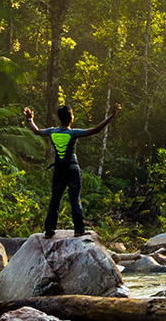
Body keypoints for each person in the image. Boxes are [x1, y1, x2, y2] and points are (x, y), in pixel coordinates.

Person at [22, 100, 121, 237]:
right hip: (73, 169)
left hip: (59, 170)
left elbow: (37, 131)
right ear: (71, 118)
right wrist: (111, 115)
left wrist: (29, 119)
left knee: (54, 200)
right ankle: (79, 230)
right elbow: (96, 129)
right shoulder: (73, 133)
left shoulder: (52, 132)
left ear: (59, 118)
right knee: (74, 199)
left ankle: (49, 230)